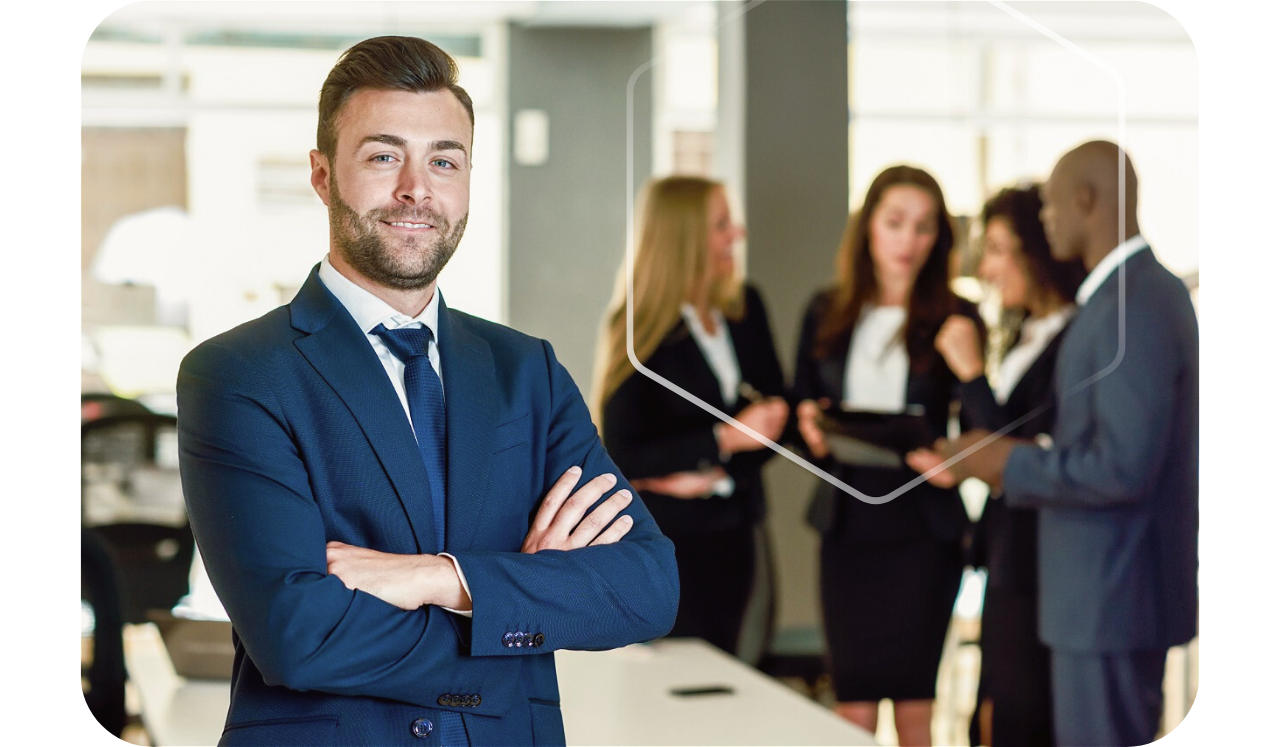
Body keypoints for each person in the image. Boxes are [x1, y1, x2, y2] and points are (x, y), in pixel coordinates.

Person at [177, 36, 679, 747]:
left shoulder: (525, 371)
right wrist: (520, 609)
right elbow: (298, 634)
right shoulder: (238, 373)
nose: (417, 188)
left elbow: (647, 587)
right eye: (384, 156)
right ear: (323, 175)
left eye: (444, 160)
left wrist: (441, 578)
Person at [908, 141, 1199, 746]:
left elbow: (1121, 468)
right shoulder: (1121, 298)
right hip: (1096, 597)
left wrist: (1002, 460)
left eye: (1048, 208)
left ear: (1085, 201)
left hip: (1111, 598)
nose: (1046, 222)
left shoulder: (1133, 304)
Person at [793, 165, 978, 746]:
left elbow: (979, 430)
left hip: (922, 529)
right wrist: (810, 433)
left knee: (918, 706)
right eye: (895, 223)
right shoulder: (825, 313)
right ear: (868, 227)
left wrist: (955, 462)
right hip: (848, 525)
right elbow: (802, 413)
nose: (907, 241)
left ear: (939, 238)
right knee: (853, 702)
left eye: (923, 227)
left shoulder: (956, 316)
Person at [592, 176, 788, 658]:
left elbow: (776, 419)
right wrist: (721, 441)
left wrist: (718, 467)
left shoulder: (746, 309)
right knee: (679, 684)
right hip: (667, 542)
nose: (736, 235)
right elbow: (620, 453)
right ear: (685, 239)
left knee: (740, 676)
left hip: (741, 529)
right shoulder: (637, 329)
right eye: (722, 225)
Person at [932, 185, 1085, 747]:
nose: (986, 268)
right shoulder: (1026, 331)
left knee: (1018, 712)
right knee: (993, 708)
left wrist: (972, 376)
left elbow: (1018, 451)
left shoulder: (1076, 338)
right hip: (1006, 553)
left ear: (1037, 251)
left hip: (1039, 560)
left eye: (997, 249)